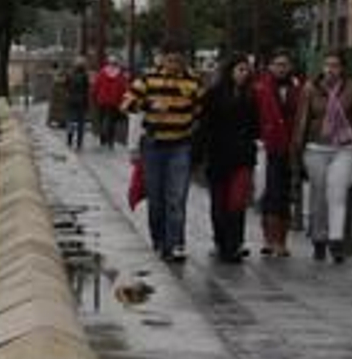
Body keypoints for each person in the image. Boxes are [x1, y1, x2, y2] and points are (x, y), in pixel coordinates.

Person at [122, 45, 204, 261]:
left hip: (181, 145)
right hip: (154, 145)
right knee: (156, 197)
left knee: (177, 196)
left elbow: (200, 109)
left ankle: (175, 243)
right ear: (163, 59)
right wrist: (149, 103)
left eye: (178, 61)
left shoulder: (194, 80)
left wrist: (190, 126)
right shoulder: (148, 78)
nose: (174, 66)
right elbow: (126, 104)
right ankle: (159, 239)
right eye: (170, 61)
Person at [292, 50, 352, 262]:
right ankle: (319, 238)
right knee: (319, 195)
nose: (330, 69)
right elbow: (302, 121)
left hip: (342, 149)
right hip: (315, 148)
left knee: (337, 192)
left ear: (342, 68)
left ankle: (335, 241)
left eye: (335, 65)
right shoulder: (311, 88)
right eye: (327, 65)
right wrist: (297, 150)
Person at [199, 55, 261, 263]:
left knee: (237, 201)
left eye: (247, 70)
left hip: (243, 156)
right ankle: (220, 241)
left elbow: (256, 126)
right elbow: (205, 126)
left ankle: (234, 244)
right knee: (219, 202)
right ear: (230, 71)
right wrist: (202, 153)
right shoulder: (213, 94)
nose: (244, 74)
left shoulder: (252, 95)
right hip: (218, 156)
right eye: (240, 69)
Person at [254, 49, 305, 258]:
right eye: (277, 64)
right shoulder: (260, 87)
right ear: (270, 66)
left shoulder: (298, 88)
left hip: (290, 147)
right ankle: (270, 239)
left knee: (284, 193)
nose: (281, 68)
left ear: (290, 66)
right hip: (268, 145)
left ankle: (281, 241)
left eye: (285, 64)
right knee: (269, 192)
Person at [92, 58, 129, 148]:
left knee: (102, 119)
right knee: (112, 121)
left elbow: (96, 85)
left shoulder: (102, 72)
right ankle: (111, 140)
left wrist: (94, 96)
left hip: (102, 100)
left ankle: (103, 138)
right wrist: (122, 100)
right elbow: (123, 88)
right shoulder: (120, 75)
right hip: (114, 101)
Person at [63, 56, 91, 150]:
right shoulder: (85, 76)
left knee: (70, 120)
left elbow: (65, 85)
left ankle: (69, 139)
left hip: (71, 100)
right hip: (82, 101)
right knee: (81, 123)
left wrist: (68, 93)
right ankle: (79, 143)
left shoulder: (69, 74)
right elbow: (87, 89)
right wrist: (87, 103)